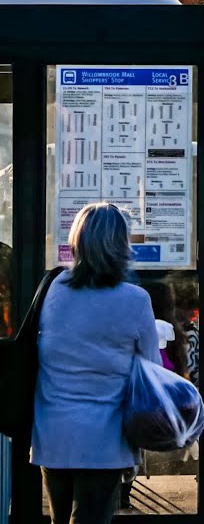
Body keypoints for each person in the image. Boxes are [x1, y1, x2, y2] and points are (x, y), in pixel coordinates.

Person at [31, 202, 160, 524]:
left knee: (61, 519)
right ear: (121, 244)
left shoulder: (52, 288)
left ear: (78, 240)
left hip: (53, 434)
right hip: (105, 439)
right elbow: (152, 369)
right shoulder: (135, 299)